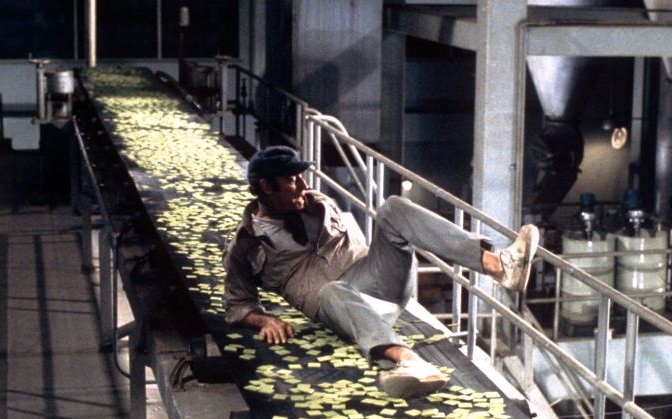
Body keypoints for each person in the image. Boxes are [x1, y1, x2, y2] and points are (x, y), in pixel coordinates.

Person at [223, 146, 540, 398]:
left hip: (376, 281)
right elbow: (238, 306)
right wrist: (266, 320)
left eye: (302, 177)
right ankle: (409, 362)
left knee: (393, 208)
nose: (304, 187)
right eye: (293, 180)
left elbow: (359, 243)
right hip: (335, 307)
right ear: (266, 186)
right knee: (334, 290)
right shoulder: (245, 244)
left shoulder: (318, 203)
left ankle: (500, 266)